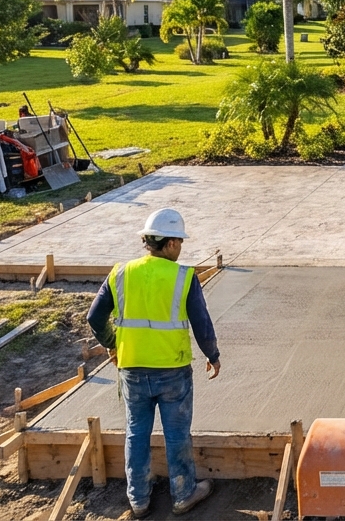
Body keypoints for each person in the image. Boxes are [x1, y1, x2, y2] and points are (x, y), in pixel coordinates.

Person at [88, 208, 221, 518]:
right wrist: (212, 355)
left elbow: (94, 317)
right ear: (171, 243)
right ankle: (183, 494)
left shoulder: (120, 273)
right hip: (172, 371)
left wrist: (113, 344)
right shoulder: (183, 277)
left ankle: (138, 501)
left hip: (132, 370)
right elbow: (202, 323)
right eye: (181, 242)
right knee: (176, 435)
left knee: (136, 434)